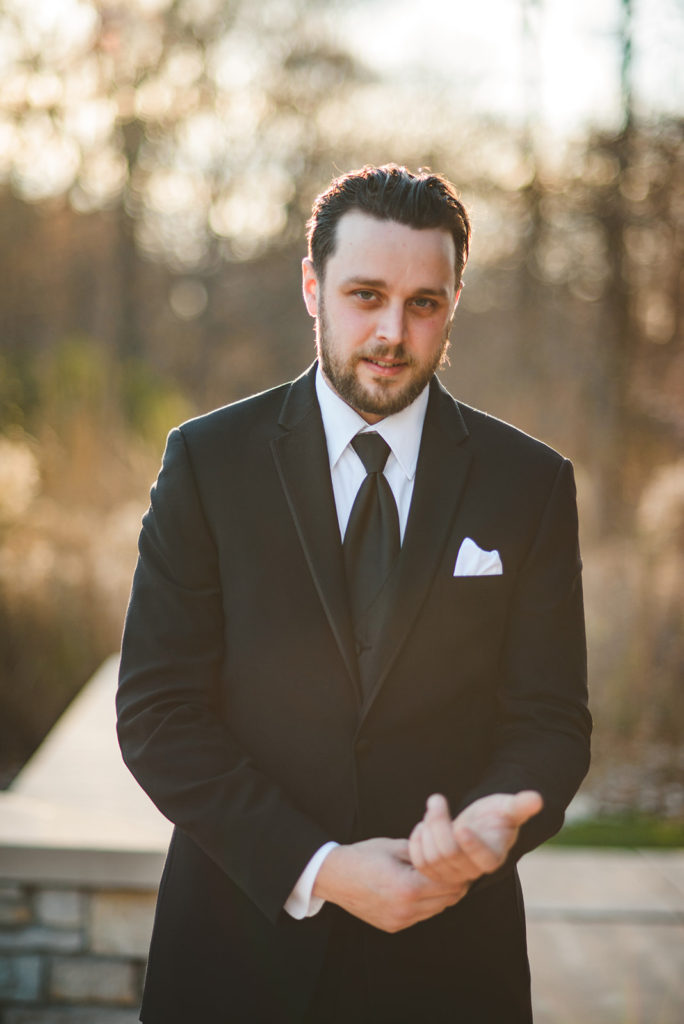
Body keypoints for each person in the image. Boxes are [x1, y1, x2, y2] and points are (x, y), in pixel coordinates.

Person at [116, 163, 591, 1024]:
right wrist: (322, 867)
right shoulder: (206, 463)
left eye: (423, 303)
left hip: (451, 960)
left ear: (454, 302)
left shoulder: (532, 484)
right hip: (237, 955)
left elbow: (549, 721)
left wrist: (490, 829)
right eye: (365, 295)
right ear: (313, 287)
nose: (392, 333)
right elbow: (158, 713)